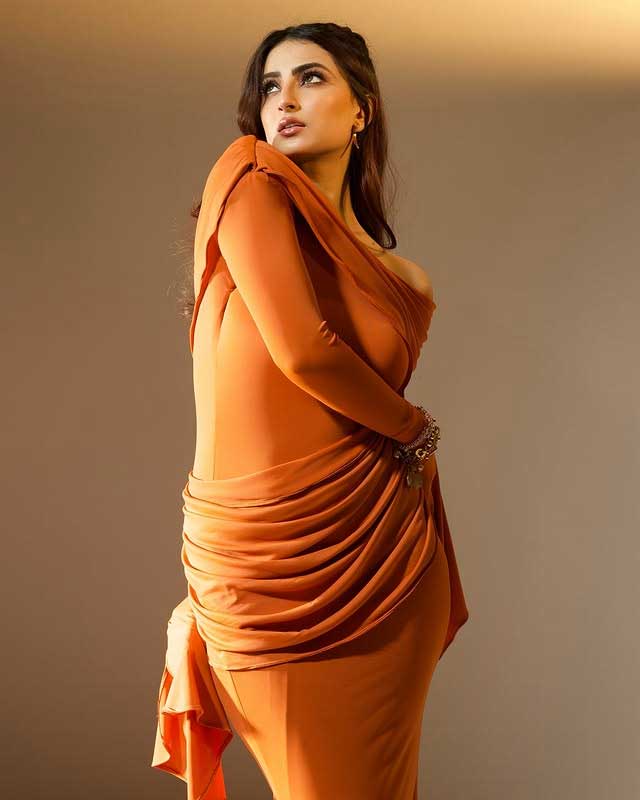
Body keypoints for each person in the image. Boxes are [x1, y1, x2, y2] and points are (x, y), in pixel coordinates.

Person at [151, 22, 469, 800]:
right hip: (266, 573)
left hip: (389, 560)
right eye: (270, 86)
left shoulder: (407, 282)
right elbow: (305, 353)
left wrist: (407, 442)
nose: (285, 99)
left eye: (312, 78)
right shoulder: (248, 181)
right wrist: (416, 429)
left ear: (363, 109)